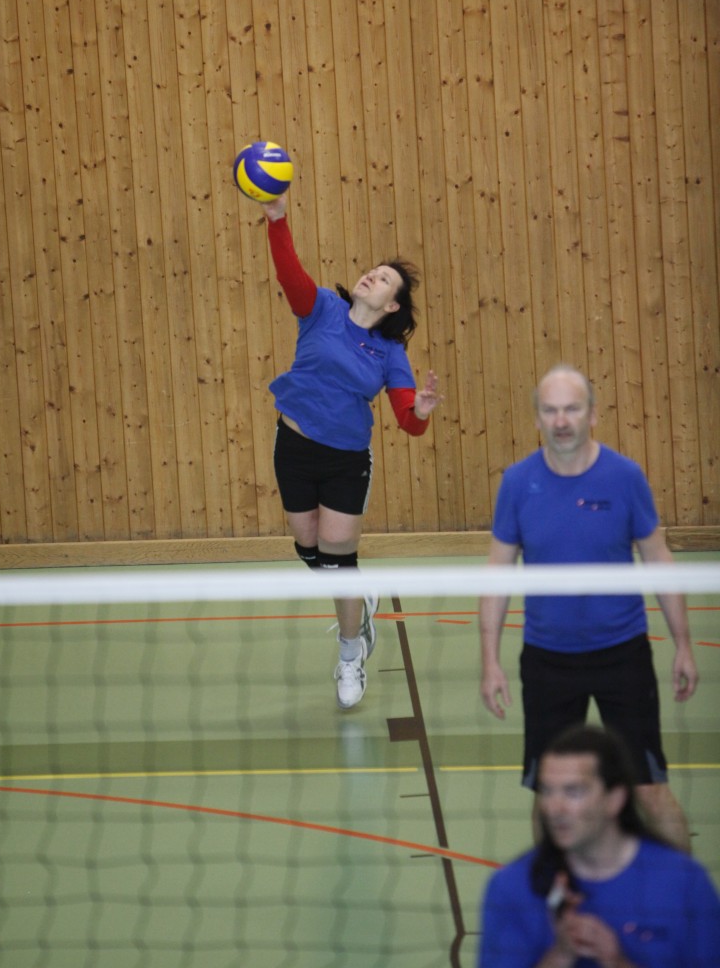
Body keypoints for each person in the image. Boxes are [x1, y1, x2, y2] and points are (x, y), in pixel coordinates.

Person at [479, 365, 699, 850]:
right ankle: (556, 893)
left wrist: (683, 645)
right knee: (549, 796)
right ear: (537, 419)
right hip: (548, 661)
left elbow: (658, 559)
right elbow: (497, 575)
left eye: (572, 409)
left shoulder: (625, 477)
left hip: (622, 655)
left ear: (593, 414)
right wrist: (489, 661)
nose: (561, 420)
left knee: (648, 790)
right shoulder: (517, 483)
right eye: (550, 410)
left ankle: (684, 890)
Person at [261, 191, 440, 709]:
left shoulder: (390, 353)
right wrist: (277, 220)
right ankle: (359, 593)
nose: (371, 276)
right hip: (293, 446)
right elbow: (289, 272)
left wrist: (420, 410)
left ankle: (349, 653)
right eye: (372, 271)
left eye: (383, 279)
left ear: (392, 305)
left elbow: (407, 421)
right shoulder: (321, 308)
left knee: (337, 558)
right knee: (308, 548)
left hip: (345, 461)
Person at [478, 724, 720, 967]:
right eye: (547, 791)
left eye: (573, 791)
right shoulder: (512, 886)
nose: (555, 808)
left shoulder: (684, 883)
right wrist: (560, 955)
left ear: (615, 799)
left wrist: (617, 962)